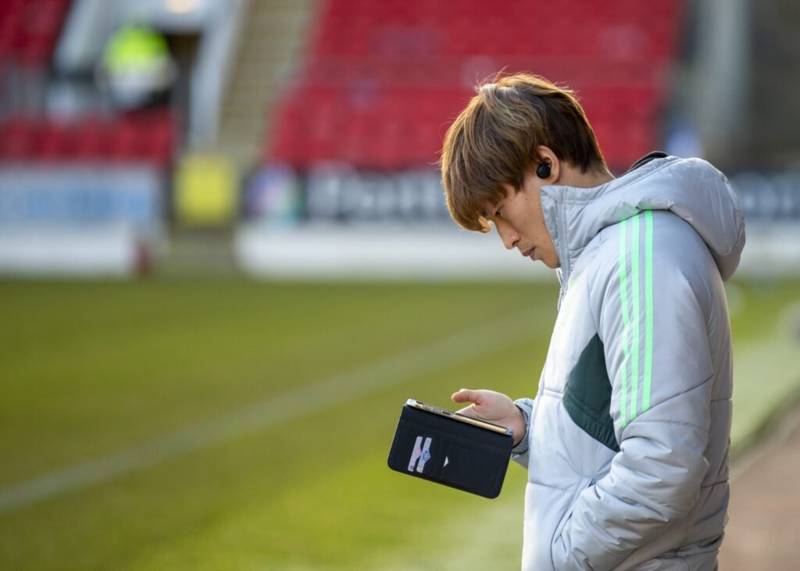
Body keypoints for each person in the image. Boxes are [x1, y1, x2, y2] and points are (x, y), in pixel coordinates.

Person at [439, 73, 745, 570]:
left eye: (501, 212)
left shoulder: (641, 260)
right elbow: (613, 429)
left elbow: (662, 470)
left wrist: (557, 559)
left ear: (545, 164)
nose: (507, 240)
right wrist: (527, 428)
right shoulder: (608, 257)